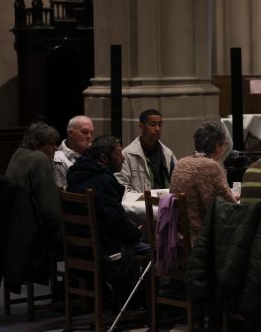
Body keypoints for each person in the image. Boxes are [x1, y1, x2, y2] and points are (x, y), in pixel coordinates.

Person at [67, 135, 148, 306]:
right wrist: (137, 233)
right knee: (156, 250)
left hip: (78, 248)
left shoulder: (77, 174)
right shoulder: (103, 180)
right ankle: (138, 304)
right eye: (118, 153)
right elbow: (116, 221)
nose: (123, 157)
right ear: (104, 158)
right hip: (104, 251)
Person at [169, 121, 237, 246]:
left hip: (177, 237)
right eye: (224, 145)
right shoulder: (211, 166)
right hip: (200, 239)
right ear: (217, 146)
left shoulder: (181, 163)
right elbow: (230, 206)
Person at [5, 122, 62, 257]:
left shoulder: (18, 153)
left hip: (12, 228)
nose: (56, 148)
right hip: (34, 233)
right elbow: (50, 209)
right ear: (38, 145)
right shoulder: (40, 159)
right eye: (52, 144)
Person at [116, 109, 177, 194]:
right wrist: (142, 200)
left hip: (165, 203)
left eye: (160, 125)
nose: (157, 129)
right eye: (153, 125)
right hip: (139, 205)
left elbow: (177, 183)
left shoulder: (168, 153)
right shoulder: (128, 154)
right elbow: (122, 186)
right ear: (141, 127)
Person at [53, 115, 94, 189]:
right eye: (84, 132)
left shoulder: (96, 152)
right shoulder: (57, 158)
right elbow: (62, 192)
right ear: (70, 133)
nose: (89, 136)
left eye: (91, 133)